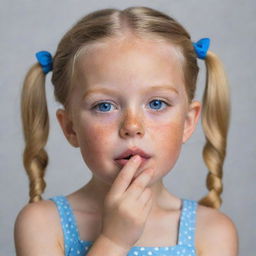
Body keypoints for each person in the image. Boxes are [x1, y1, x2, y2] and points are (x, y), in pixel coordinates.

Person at [14, 6, 239, 256]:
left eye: (156, 104)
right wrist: (113, 240)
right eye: (104, 106)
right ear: (70, 127)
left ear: (187, 123)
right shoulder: (42, 224)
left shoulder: (213, 231)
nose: (132, 126)